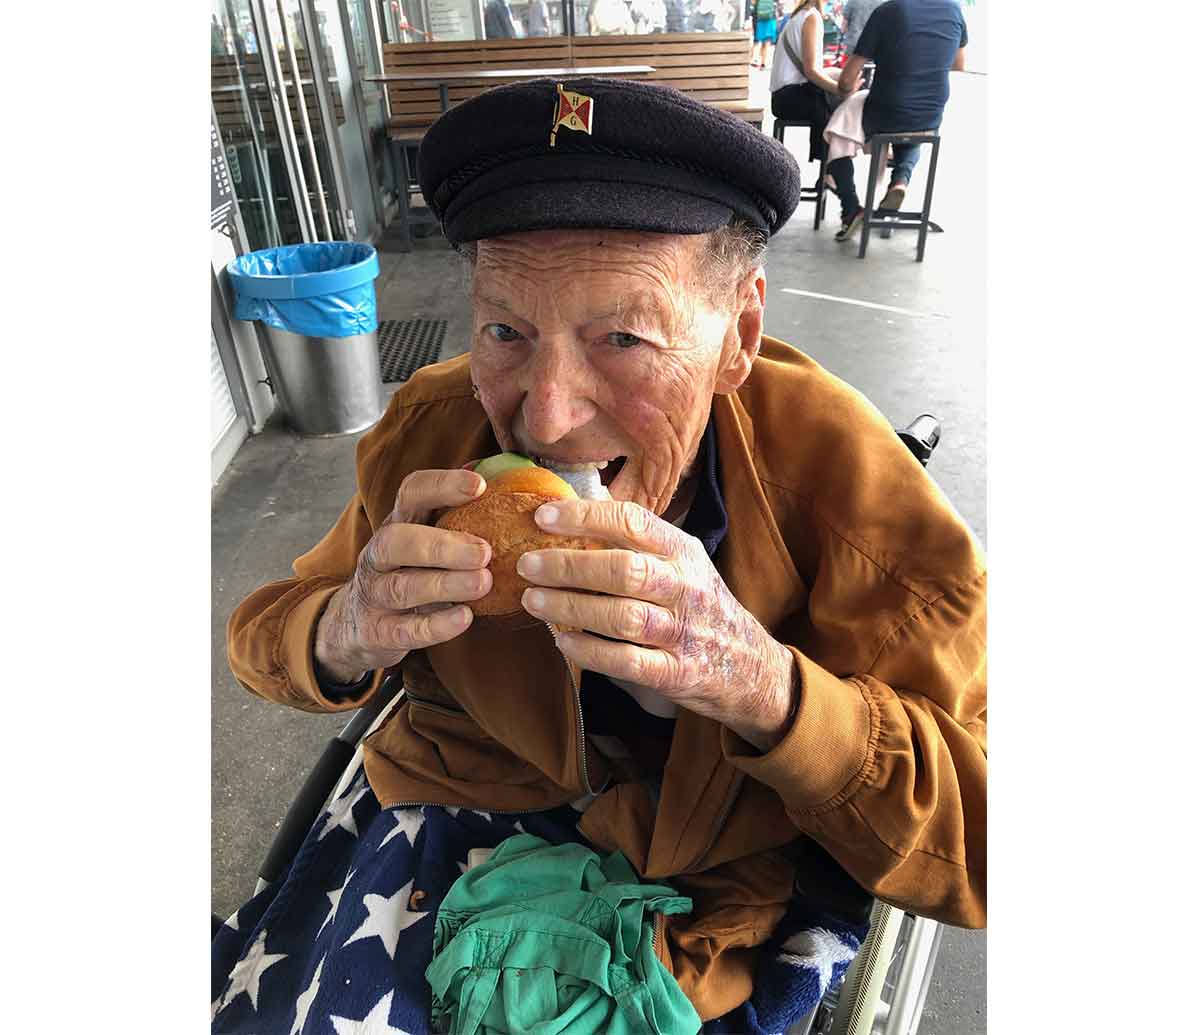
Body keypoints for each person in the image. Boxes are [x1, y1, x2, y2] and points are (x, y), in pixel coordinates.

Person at [218, 77, 986, 1033]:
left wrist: (767, 688)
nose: (543, 414)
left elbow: (984, 844)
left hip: (698, 895)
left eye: (622, 336)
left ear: (738, 334)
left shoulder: (855, 507)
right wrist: (344, 628)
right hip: (446, 825)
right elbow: (259, 637)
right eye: (507, 330)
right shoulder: (431, 434)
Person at [827, 0, 967, 241]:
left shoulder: (888, 11)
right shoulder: (953, 9)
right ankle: (900, 181)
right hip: (931, 111)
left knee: (838, 127)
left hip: (887, 108)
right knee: (913, 132)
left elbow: (847, 81)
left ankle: (851, 208)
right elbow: (959, 64)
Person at [770, 0, 857, 172]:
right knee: (842, 108)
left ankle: (833, 171)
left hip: (783, 97)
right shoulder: (812, 17)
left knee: (839, 102)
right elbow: (811, 71)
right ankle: (834, 170)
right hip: (790, 98)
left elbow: (810, 70)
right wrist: (840, 90)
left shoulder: (800, 15)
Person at [751, 0, 778, 68]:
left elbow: (753, 4)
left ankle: (759, 60)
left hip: (760, 19)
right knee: (767, 42)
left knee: (762, 42)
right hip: (770, 19)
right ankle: (763, 62)